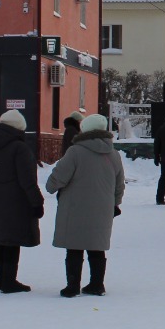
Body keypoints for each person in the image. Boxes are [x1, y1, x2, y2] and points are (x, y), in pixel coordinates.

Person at [46, 113, 125, 297]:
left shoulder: (75, 151)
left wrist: (51, 186)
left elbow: (59, 177)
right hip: (103, 208)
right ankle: (97, 284)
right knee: (96, 247)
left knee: (74, 247)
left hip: (75, 207)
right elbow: (119, 184)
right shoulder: (114, 154)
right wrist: (115, 203)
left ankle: (72, 286)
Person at [0, 110, 43, 293]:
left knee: (1, 239)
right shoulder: (19, 148)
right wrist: (37, 202)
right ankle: (9, 281)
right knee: (12, 240)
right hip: (16, 199)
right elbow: (27, 179)